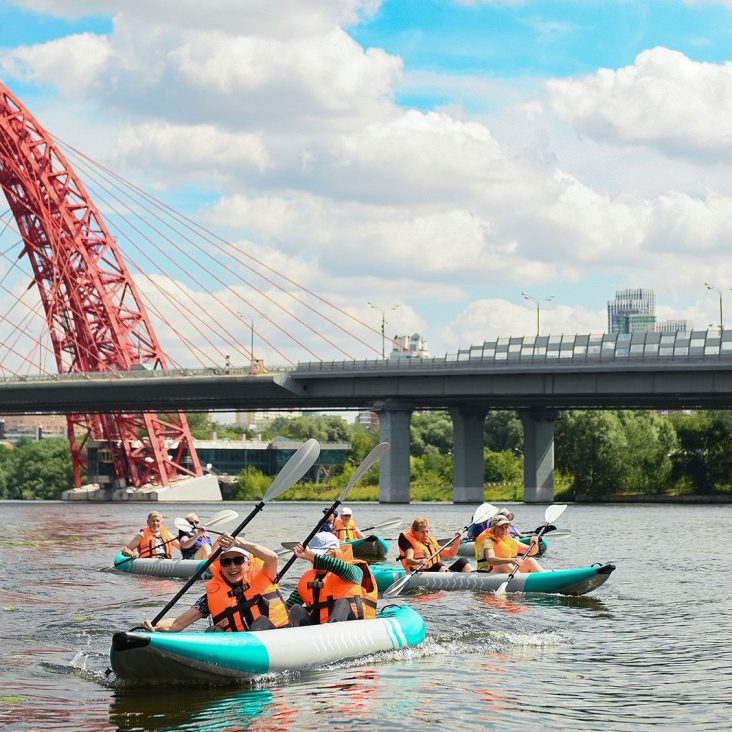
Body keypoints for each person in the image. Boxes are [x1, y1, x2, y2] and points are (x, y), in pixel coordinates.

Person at [142, 534, 291, 632]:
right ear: (220, 565)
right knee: (213, 631)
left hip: (273, 638)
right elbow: (178, 623)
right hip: (236, 647)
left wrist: (241, 543)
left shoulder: (265, 573)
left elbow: (273, 558)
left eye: (238, 561)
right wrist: (155, 626)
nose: (232, 567)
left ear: (248, 563)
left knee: (261, 622)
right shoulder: (210, 597)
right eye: (226, 562)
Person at [286, 531, 378, 626]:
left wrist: (313, 556)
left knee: (342, 603)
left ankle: (331, 629)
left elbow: (342, 568)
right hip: (319, 629)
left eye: (322, 556)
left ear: (335, 553)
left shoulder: (355, 570)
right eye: (315, 556)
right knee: (296, 609)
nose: (314, 561)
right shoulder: (308, 579)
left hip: (353, 627)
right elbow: (288, 606)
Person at [398, 517, 473, 573]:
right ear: (414, 532)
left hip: (438, 571)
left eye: (427, 532)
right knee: (438, 565)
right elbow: (408, 560)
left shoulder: (431, 542)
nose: (425, 535)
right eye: (422, 532)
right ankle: (451, 578)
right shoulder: (410, 542)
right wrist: (419, 562)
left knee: (463, 561)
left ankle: (473, 577)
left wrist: (457, 540)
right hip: (421, 573)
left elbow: (451, 553)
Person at [474, 515, 543, 573]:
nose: (504, 530)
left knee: (530, 560)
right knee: (505, 564)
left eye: (506, 527)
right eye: (501, 527)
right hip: (488, 573)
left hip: (508, 570)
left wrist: (535, 543)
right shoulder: (487, 541)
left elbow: (531, 552)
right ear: (493, 528)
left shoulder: (510, 540)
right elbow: (491, 560)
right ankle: (521, 579)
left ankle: (543, 578)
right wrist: (512, 560)